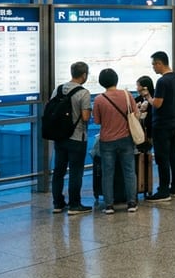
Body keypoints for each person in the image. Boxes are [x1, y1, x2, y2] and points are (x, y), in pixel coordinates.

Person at [91, 68, 139, 214]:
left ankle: (109, 205)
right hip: (126, 138)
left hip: (107, 141)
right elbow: (135, 114)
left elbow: (97, 121)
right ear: (116, 79)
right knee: (129, 171)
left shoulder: (99, 99)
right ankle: (131, 203)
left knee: (107, 173)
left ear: (101, 82)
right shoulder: (126, 95)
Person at [51, 62, 93, 215]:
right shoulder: (84, 93)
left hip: (59, 137)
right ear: (84, 75)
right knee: (76, 172)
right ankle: (75, 204)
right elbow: (85, 117)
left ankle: (57, 203)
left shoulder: (58, 89)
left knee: (59, 171)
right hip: (77, 138)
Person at [146, 51, 175, 202]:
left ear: (160, 63)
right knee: (174, 155)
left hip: (162, 125)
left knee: (162, 158)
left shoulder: (162, 82)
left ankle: (163, 190)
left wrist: (148, 97)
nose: (153, 67)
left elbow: (158, 103)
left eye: (154, 64)